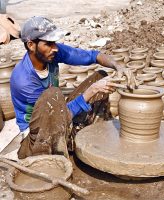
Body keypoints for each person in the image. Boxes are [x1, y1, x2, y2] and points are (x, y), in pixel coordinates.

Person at [9, 16, 133, 159]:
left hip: (57, 111)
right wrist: (92, 90)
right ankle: (63, 143)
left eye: (54, 43)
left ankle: (77, 135)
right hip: (38, 134)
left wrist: (118, 66)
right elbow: (57, 115)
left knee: (100, 76)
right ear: (31, 45)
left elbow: (92, 56)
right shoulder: (23, 79)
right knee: (53, 94)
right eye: (48, 43)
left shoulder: (52, 53)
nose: (55, 48)